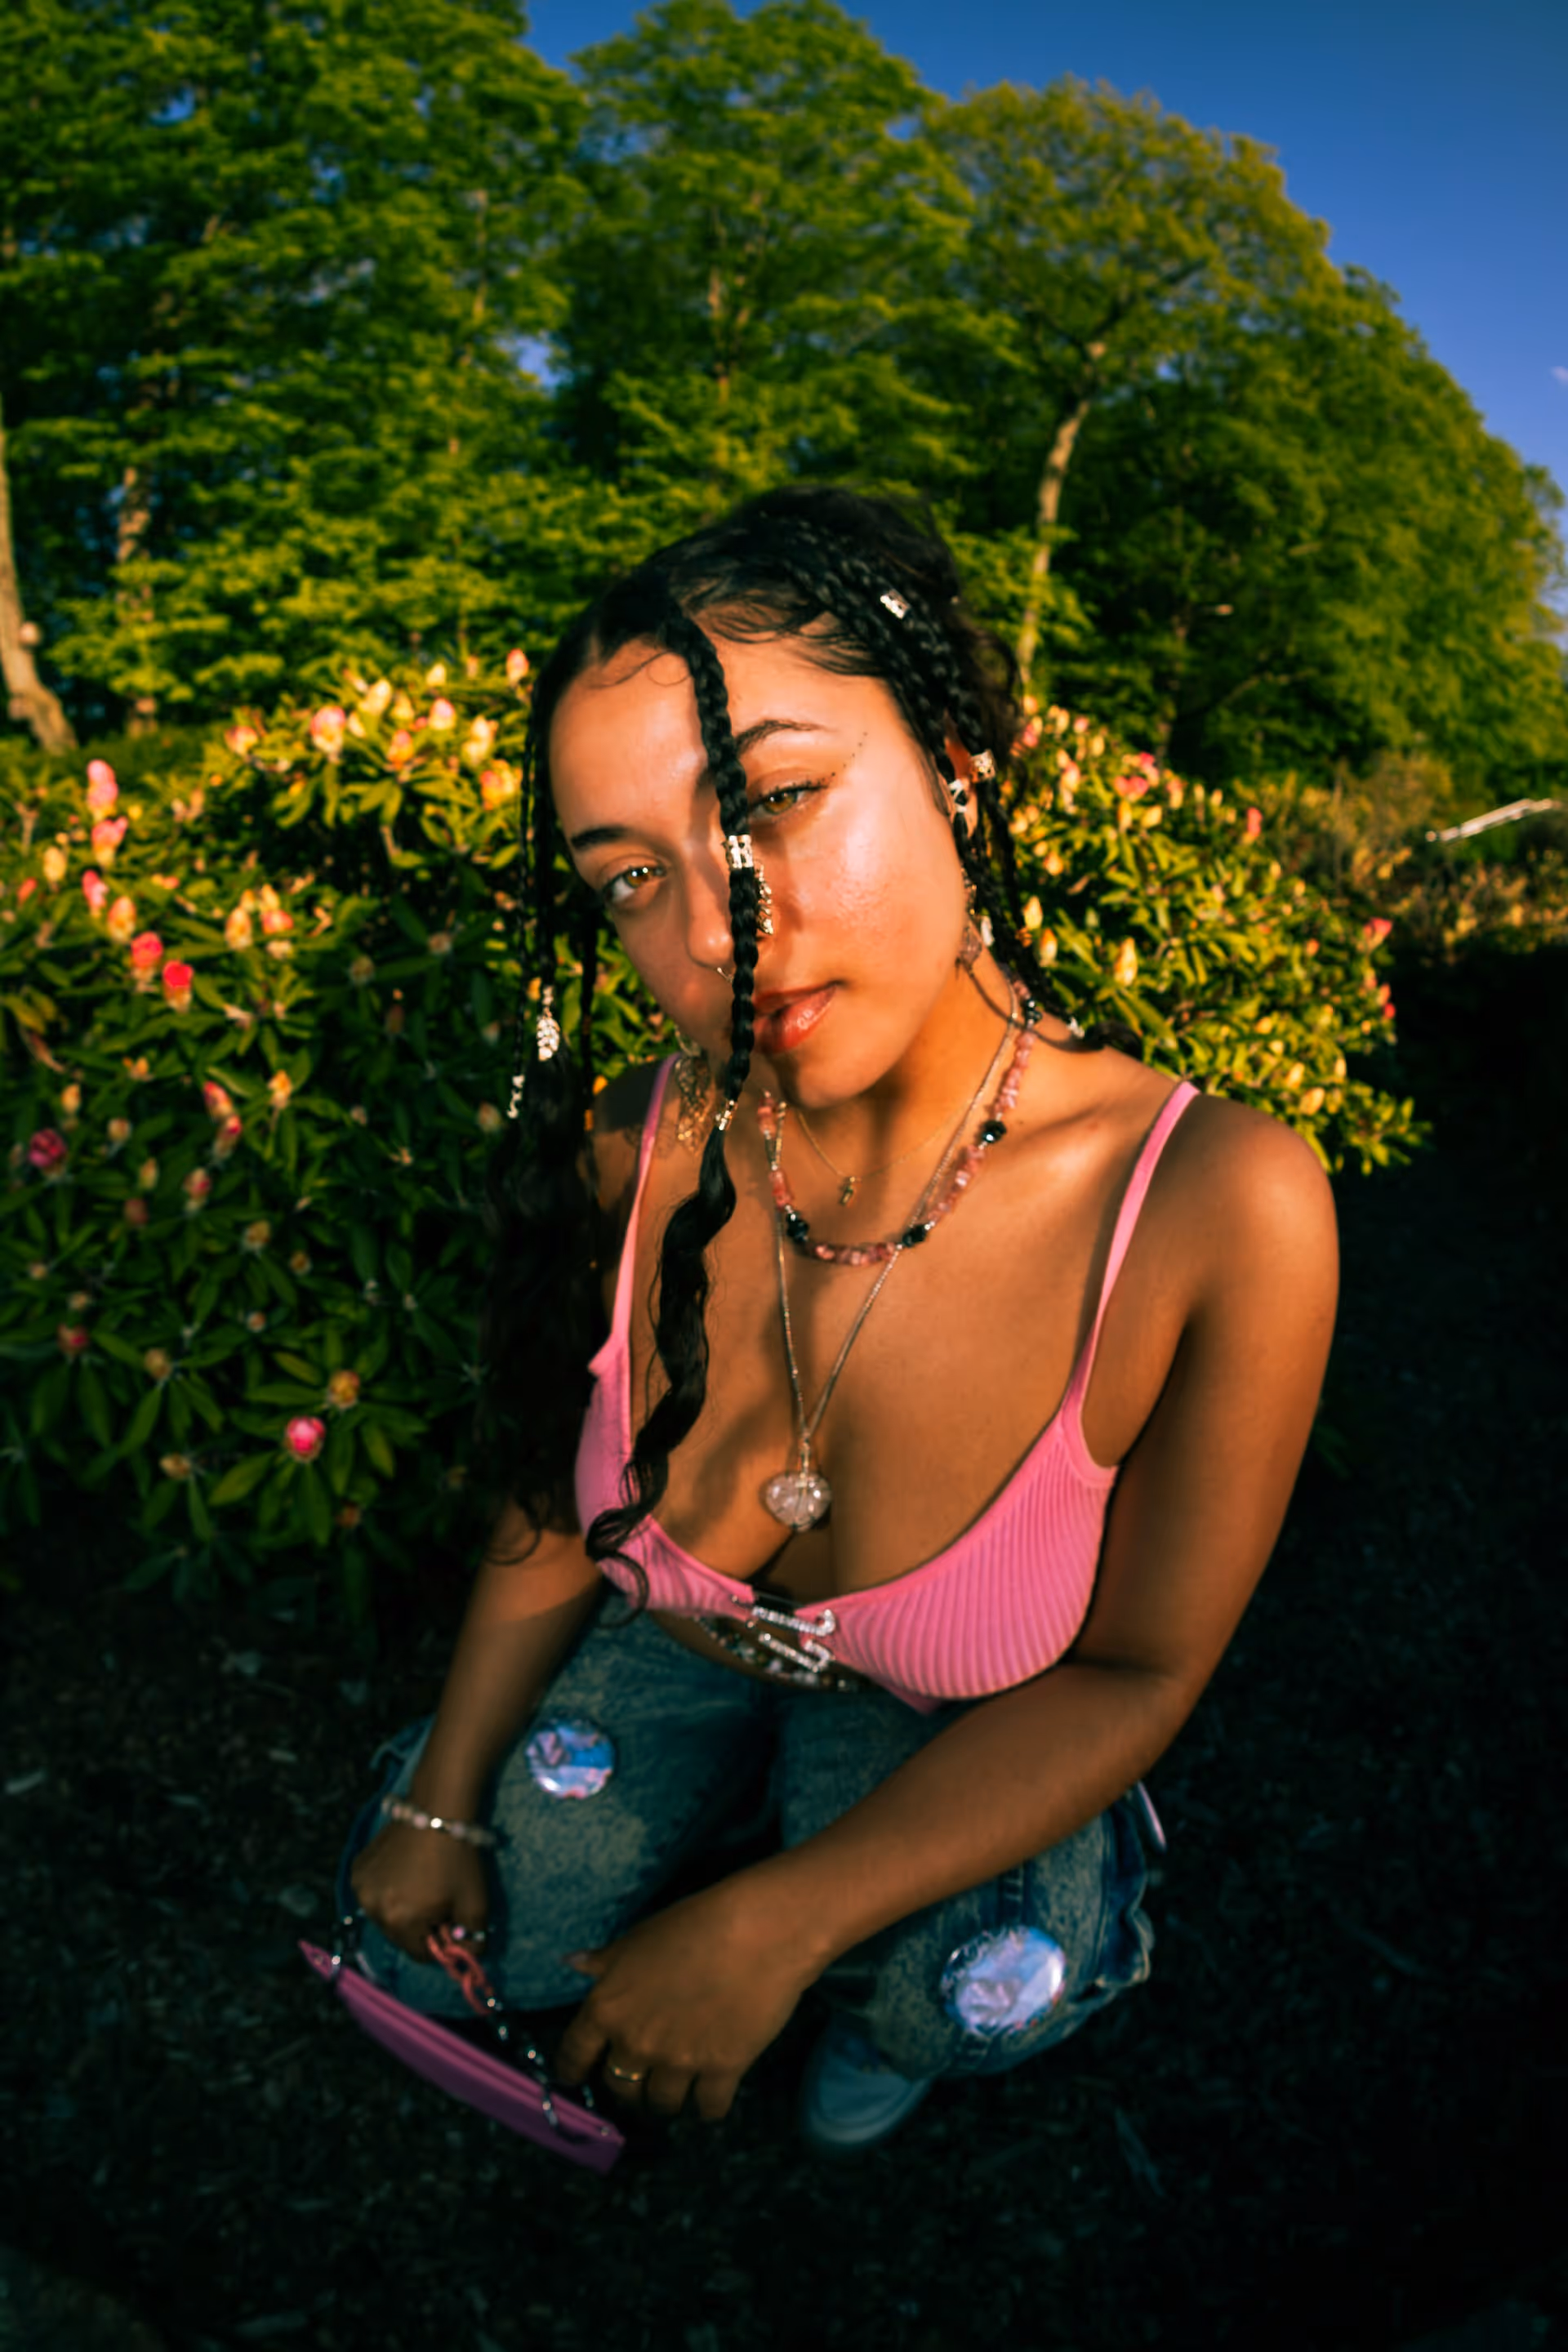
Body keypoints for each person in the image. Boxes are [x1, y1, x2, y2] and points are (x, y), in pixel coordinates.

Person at [346, 485, 1338, 2153]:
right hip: (668, 1643)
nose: (715, 935)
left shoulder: (1211, 1204)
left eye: (779, 800)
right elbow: (542, 1494)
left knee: (967, 1980)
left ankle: (871, 1962)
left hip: (967, 1709)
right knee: (461, 1946)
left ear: (957, 756)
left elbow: (1144, 1665)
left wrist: (772, 1930)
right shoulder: (635, 1148)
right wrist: (438, 1793)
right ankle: (720, 1818)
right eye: (628, 882)